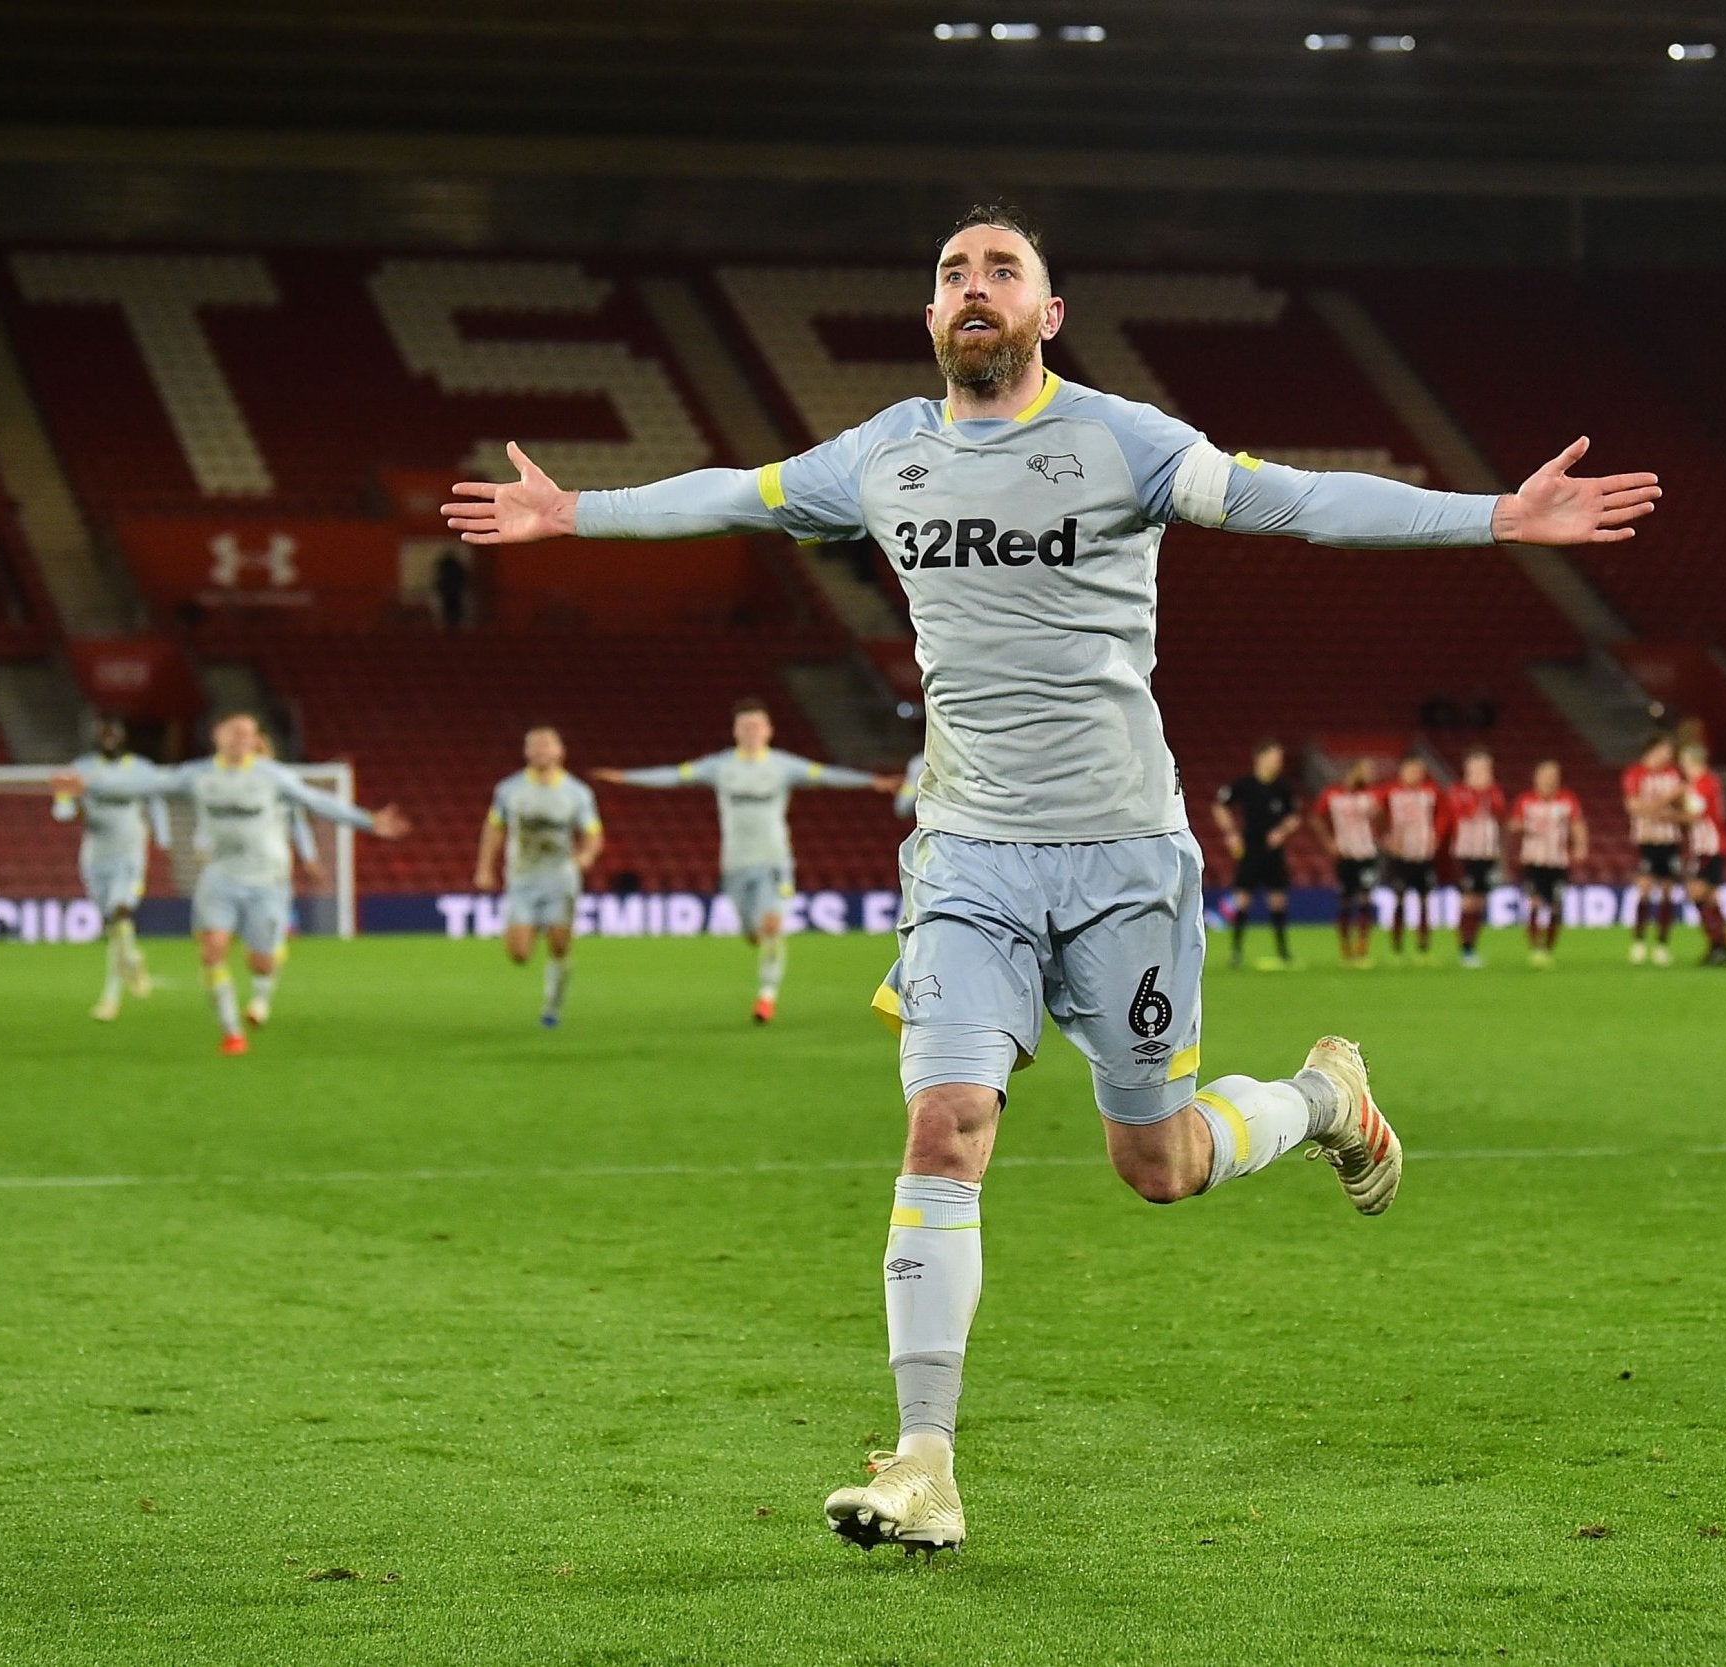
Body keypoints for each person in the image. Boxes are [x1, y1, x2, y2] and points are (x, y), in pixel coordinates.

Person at [443, 202, 1659, 1551]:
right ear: (928, 318)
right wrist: (573, 512)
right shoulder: (882, 455)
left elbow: (1300, 502)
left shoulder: (1120, 441)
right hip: (965, 855)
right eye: (953, 272)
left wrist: (1491, 514)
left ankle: (1325, 1094)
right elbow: (734, 491)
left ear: (1045, 313)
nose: (975, 286)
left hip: (1125, 858)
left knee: (1158, 1158)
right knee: (944, 1123)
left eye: (1001, 270)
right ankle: (923, 1461)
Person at [57, 712, 409, 1053]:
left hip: (267, 880)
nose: (243, 740)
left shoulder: (272, 776)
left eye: (249, 734)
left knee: (261, 962)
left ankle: (260, 994)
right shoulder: (199, 775)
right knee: (211, 950)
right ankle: (231, 1033)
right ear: (218, 736)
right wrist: (89, 783)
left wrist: (367, 820)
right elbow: (148, 784)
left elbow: (316, 801)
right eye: (235, 733)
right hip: (219, 878)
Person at [593, 700, 899, 1023]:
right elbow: (674, 775)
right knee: (753, 932)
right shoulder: (719, 766)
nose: (752, 731)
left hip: (775, 861)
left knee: (772, 926)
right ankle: (755, 940)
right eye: (745, 726)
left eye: (757, 725)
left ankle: (766, 997)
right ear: (736, 731)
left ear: (769, 730)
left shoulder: (784, 765)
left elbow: (825, 775)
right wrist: (626, 777)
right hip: (736, 864)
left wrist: (871, 782)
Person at [476, 725, 605, 1027]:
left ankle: (552, 1006)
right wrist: (484, 867)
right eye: (534, 746)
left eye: (547, 745)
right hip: (522, 877)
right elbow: (494, 827)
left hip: (561, 879)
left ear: (560, 751)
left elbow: (594, 834)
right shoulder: (508, 789)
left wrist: (586, 854)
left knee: (559, 946)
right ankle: (527, 927)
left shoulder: (577, 792)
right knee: (519, 954)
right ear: (526, 753)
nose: (541, 751)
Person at [52, 714, 172, 1021]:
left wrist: (163, 836)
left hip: (130, 854)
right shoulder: (81, 770)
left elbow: (156, 801)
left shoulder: (141, 769)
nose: (109, 738)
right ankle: (132, 958)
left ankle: (110, 999)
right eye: (103, 733)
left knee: (121, 913)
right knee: (113, 927)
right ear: (96, 737)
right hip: (95, 856)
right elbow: (63, 810)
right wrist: (71, 800)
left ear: (123, 737)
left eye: (113, 733)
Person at [1210, 740, 1301, 970]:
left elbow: (1295, 816)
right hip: (1250, 850)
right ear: (1260, 758)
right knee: (1243, 899)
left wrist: (1281, 831)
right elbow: (1219, 806)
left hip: (1274, 853)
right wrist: (1231, 833)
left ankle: (1283, 952)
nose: (1278, 762)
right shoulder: (1245, 784)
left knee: (1278, 900)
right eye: (1274, 757)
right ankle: (1236, 951)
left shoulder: (1283, 787)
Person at [1509, 760, 1585, 968]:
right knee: (1533, 902)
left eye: (1553, 776)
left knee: (1555, 906)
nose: (1549, 780)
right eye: (1545, 776)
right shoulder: (1525, 800)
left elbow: (1577, 824)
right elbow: (1513, 825)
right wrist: (1525, 827)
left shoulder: (1567, 800)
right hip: (1533, 860)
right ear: (1536, 778)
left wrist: (1580, 846)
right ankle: (1535, 948)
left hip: (1558, 860)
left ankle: (1548, 949)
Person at [1438, 748, 1508, 969]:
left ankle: (1472, 948)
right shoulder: (1458, 791)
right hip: (1465, 853)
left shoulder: (1494, 791)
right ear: (1468, 769)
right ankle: (1465, 950)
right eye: (1479, 767)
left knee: (1479, 902)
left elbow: (1499, 814)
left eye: (1487, 768)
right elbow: (1464, 815)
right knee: (1468, 901)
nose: (1484, 772)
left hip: (1486, 853)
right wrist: (1480, 794)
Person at [1312, 759, 1386, 967]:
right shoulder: (1332, 793)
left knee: (1364, 899)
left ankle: (1362, 948)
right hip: (1345, 855)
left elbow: (1382, 825)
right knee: (1345, 901)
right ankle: (1346, 949)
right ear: (1354, 771)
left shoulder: (1373, 794)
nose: (1371, 774)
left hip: (1367, 854)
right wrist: (1329, 842)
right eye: (1367, 770)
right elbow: (1316, 818)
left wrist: (1378, 815)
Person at [1621, 733, 1686, 966]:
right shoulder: (1635, 773)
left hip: (1670, 841)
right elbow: (1633, 807)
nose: (1669, 755)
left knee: (1668, 892)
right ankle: (1638, 942)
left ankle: (1662, 945)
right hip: (1646, 841)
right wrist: (1666, 802)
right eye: (1666, 749)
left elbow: (1686, 807)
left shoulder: (1674, 773)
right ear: (1654, 749)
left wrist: (1665, 811)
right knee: (1645, 889)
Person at [1677, 742, 1726, 967]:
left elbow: (1694, 816)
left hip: (1708, 847)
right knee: (1709, 898)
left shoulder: (1702, 783)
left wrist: (1664, 815)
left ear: (1692, 761)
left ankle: (1719, 944)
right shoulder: (1709, 782)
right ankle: (1721, 947)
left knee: (1696, 893)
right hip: (1711, 846)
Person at [1381, 754, 1441, 962]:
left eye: (1418, 771)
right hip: (1399, 855)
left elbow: (1443, 816)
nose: (1415, 774)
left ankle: (1423, 948)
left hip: (1422, 854)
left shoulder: (1431, 792)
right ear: (1401, 771)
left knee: (1424, 900)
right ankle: (1397, 947)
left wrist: (1437, 838)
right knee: (1399, 899)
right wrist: (1385, 839)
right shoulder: (1389, 792)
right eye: (1411, 770)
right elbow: (1376, 816)